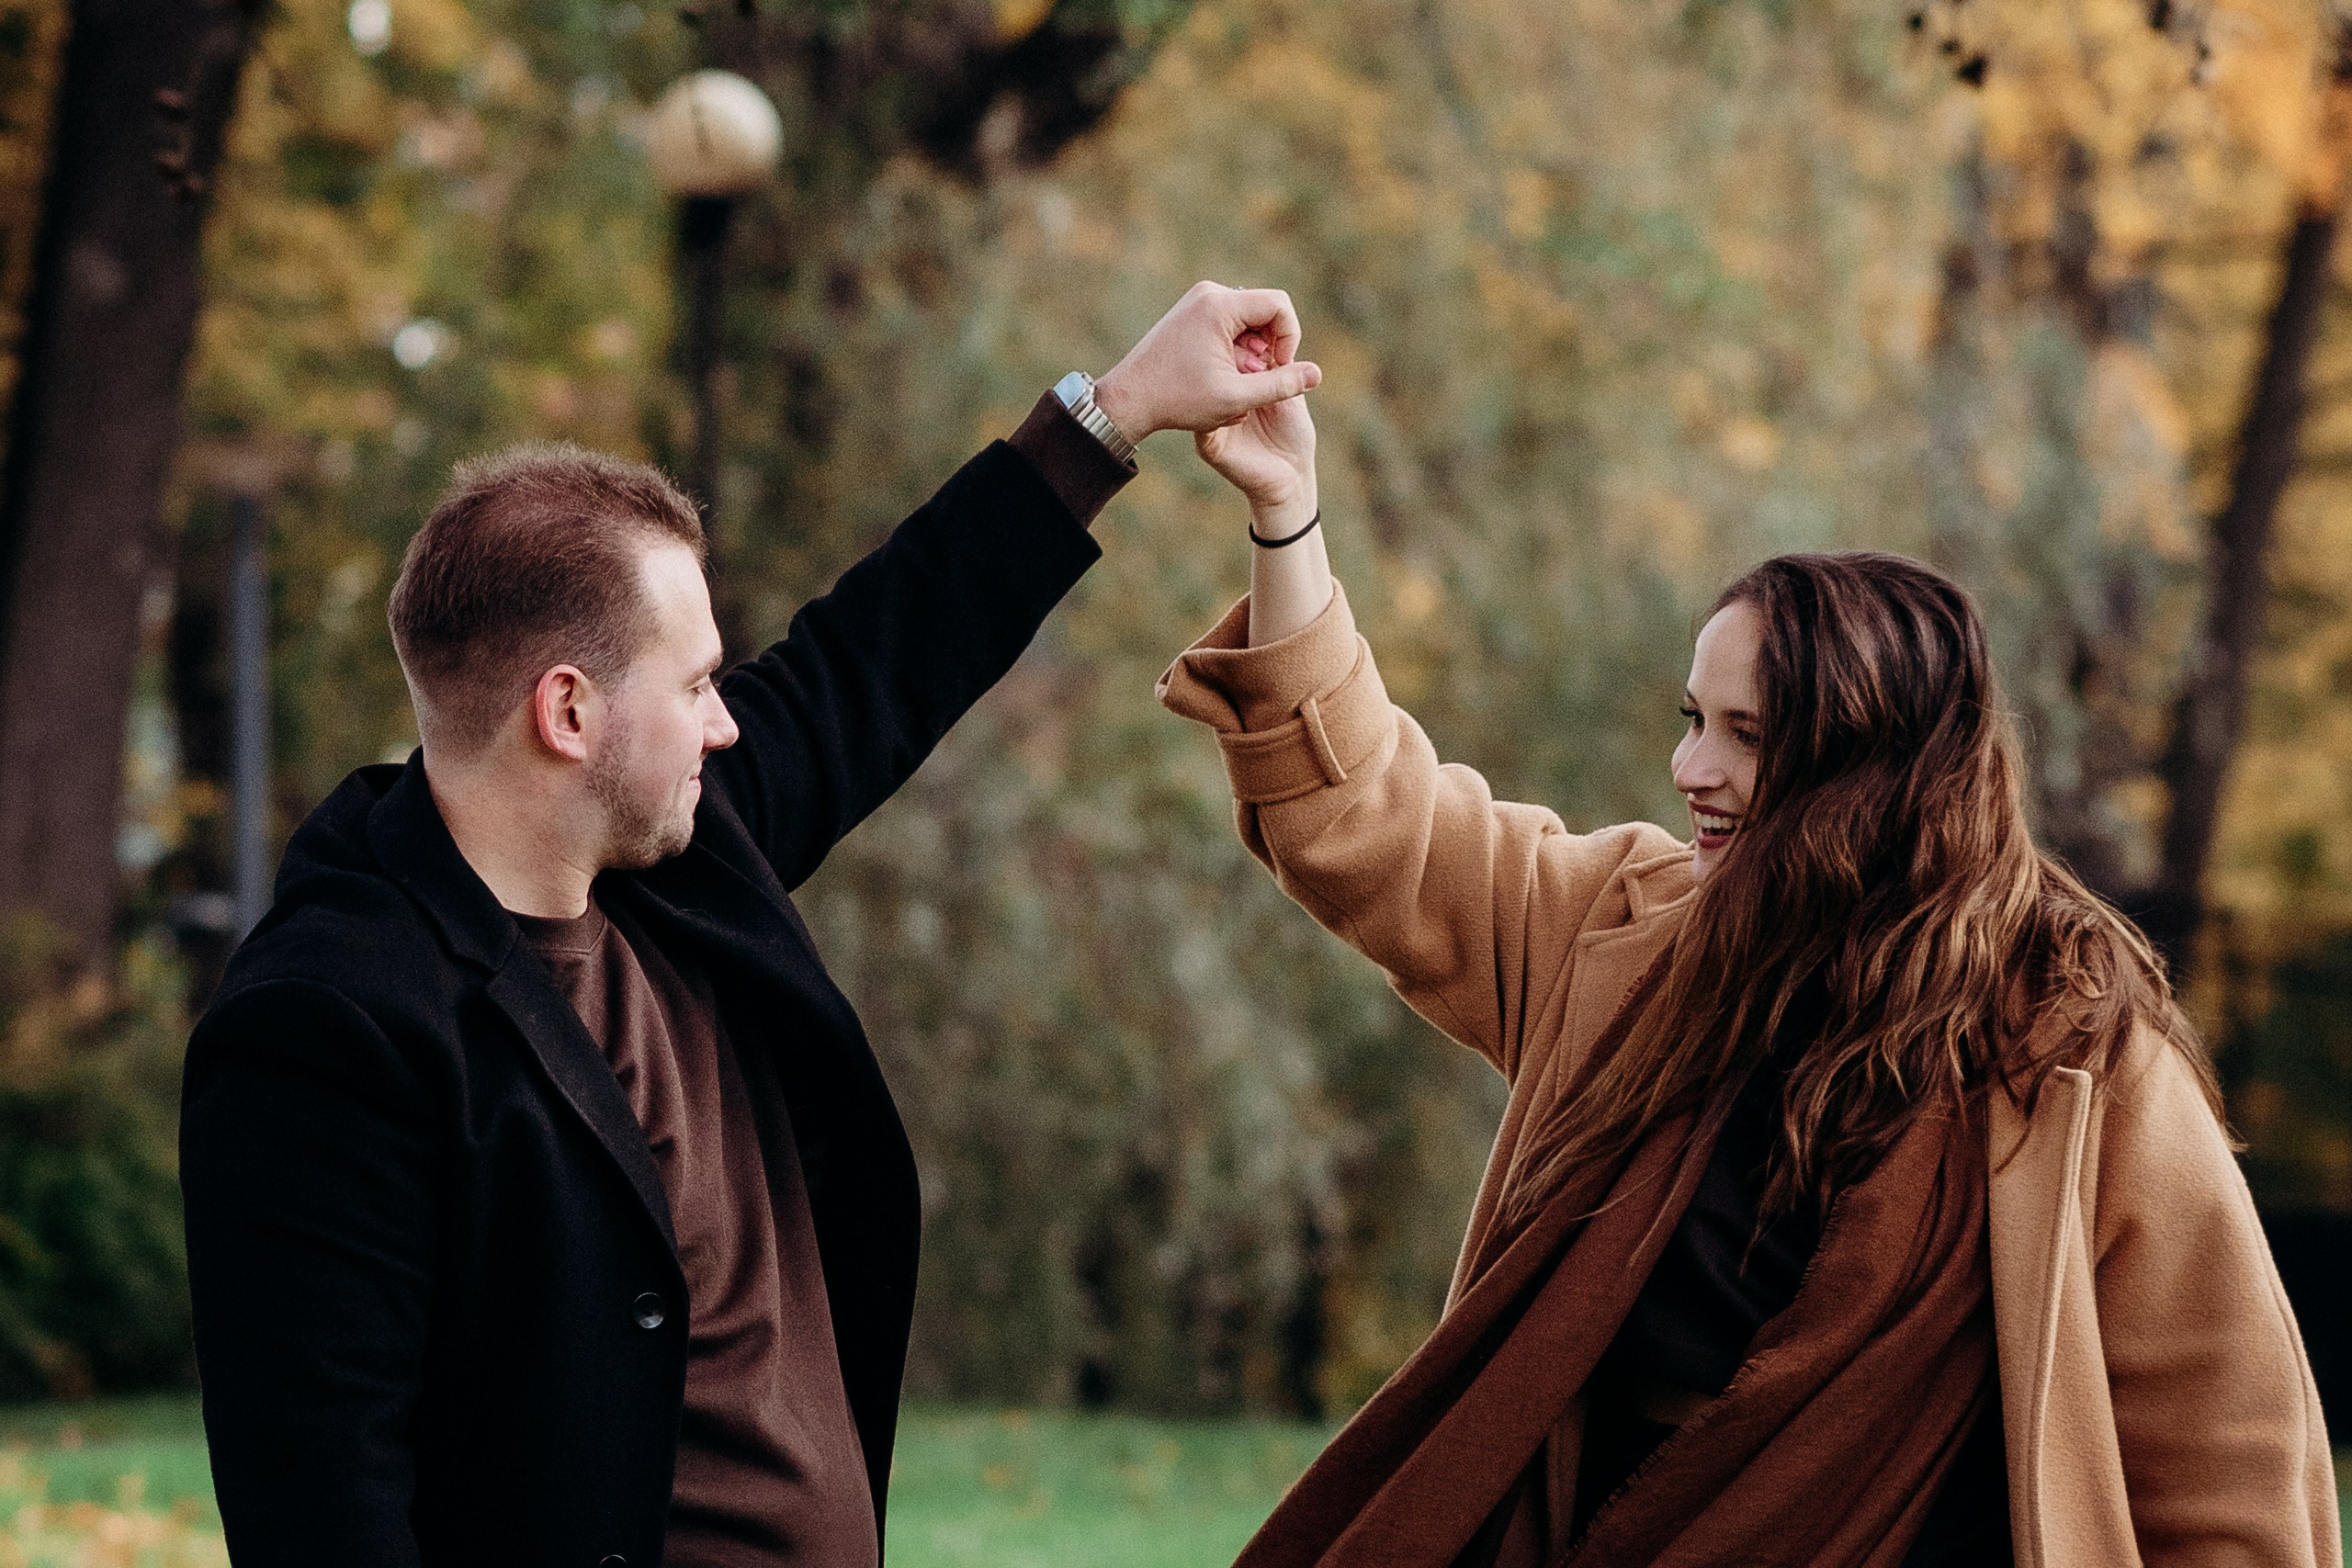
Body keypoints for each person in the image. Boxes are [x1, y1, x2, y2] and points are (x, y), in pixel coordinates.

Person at [178, 282, 1321, 1568]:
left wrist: (1116, 413)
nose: (728, 724)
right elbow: (324, 1522)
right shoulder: (326, 1026)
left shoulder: (675, 860)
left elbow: (883, 652)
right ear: (569, 713)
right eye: (698, 683)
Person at [1158, 362, 2340, 1565]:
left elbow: (2226, 1462)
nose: (1690, 771)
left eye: (1747, 736)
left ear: (1874, 773)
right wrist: (1286, 512)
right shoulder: (1623, 935)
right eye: (1691, 719)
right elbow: (1373, 822)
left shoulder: (2072, 1052)